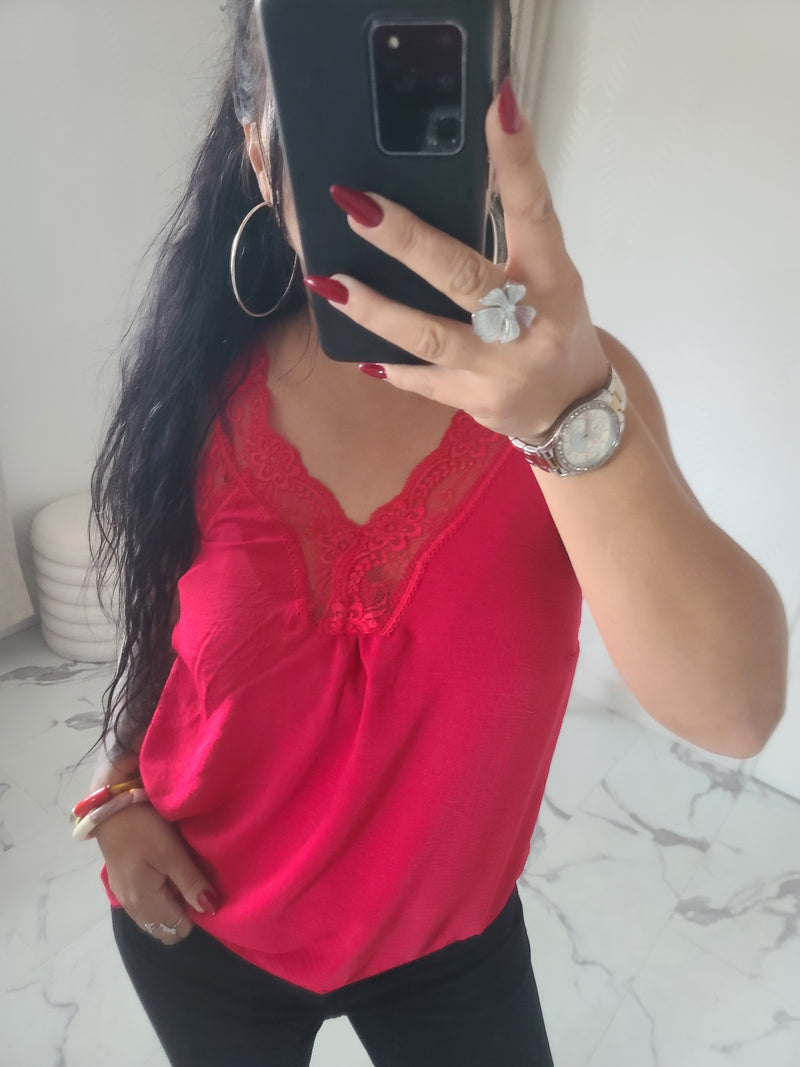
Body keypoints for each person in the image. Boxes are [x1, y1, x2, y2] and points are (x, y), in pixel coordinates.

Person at [81, 3, 788, 1065]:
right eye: (331, 115)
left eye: (427, 110)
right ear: (258, 149)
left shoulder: (578, 406)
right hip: (206, 931)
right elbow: (160, 626)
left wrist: (564, 421)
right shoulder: (197, 385)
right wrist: (117, 789)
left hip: (453, 950)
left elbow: (736, 711)